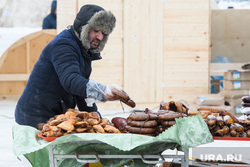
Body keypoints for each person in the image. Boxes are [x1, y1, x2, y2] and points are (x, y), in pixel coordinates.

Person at [15, 4, 122, 128]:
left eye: (103, 33)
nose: (99, 37)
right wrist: (102, 90)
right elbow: (71, 81)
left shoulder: (84, 49)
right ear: (84, 27)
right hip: (34, 117)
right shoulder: (64, 45)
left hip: (55, 115)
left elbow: (81, 91)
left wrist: (96, 119)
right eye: (96, 31)